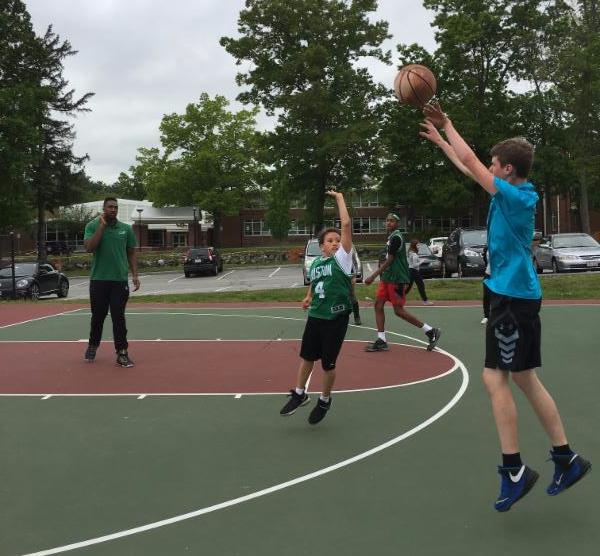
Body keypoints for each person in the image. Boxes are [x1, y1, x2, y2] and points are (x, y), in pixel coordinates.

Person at [421, 102, 591, 512]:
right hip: (517, 296)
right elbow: (468, 167)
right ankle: (566, 458)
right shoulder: (514, 193)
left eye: (494, 164)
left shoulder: (513, 197)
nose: (489, 168)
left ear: (508, 169)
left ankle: (514, 470)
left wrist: (449, 122)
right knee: (525, 379)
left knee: (494, 378)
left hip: (511, 300)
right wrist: (443, 142)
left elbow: (471, 162)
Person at [280, 189, 353, 425]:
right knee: (307, 357)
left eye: (337, 240)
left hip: (336, 318)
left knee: (327, 364)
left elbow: (346, 225)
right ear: (322, 247)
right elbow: (314, 283)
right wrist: (308, 297)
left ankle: (324, 399)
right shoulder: (316, 264)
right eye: (330, 241)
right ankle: (300, 393)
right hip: (316, 315)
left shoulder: (342, 259)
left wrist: (339, 198)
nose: (335, 243)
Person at [363, 214, 441, 352]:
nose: (388, 223)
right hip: (387, 278)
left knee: (398, 311)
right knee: (378, 305)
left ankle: (430, 331)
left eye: (392, 221)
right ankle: (381, 340)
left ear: (398, 223)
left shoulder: (396, 238)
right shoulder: (391, 237)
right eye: (387, 220)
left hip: (397, 279)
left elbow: (390, 259)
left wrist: (373, 275)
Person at [83, 197, 140, 367]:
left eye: (115, 207)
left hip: (119, 281)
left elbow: (131, 253)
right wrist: (101, 227)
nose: (113, 209)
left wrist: (135, 275)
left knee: (118, 317)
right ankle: (93, 345)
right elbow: (89, 248)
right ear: (104, 208)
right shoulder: (92, 225)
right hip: (98, 280)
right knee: (98, 317)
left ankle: (122, 353)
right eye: (110, 207)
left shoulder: (126, 229)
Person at [406, 238, 433, 305]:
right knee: (420, 285)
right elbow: (415, 265)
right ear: (414, 245)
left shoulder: (411, 252)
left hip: (412, 271)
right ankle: (425, 301)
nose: (419, 246)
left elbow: (412, 262)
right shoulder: (413, 254)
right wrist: (421, 261)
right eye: (417, 245)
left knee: (409, 286)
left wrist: (419, 260)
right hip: (414, 271)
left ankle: (398, 297)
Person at [350, 249, 362, 325]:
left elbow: (355, 262)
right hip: (339, 275)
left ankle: (357, 317)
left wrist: (354, 275)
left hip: (350, 275)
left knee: (352, 295)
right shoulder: (335, 249)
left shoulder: (351, 249)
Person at [481, 246, 491, 324]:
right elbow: (486, 260)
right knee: (486, 295)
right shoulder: (487, 248)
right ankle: (486, 316)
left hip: (500, 275)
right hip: (488, 274)